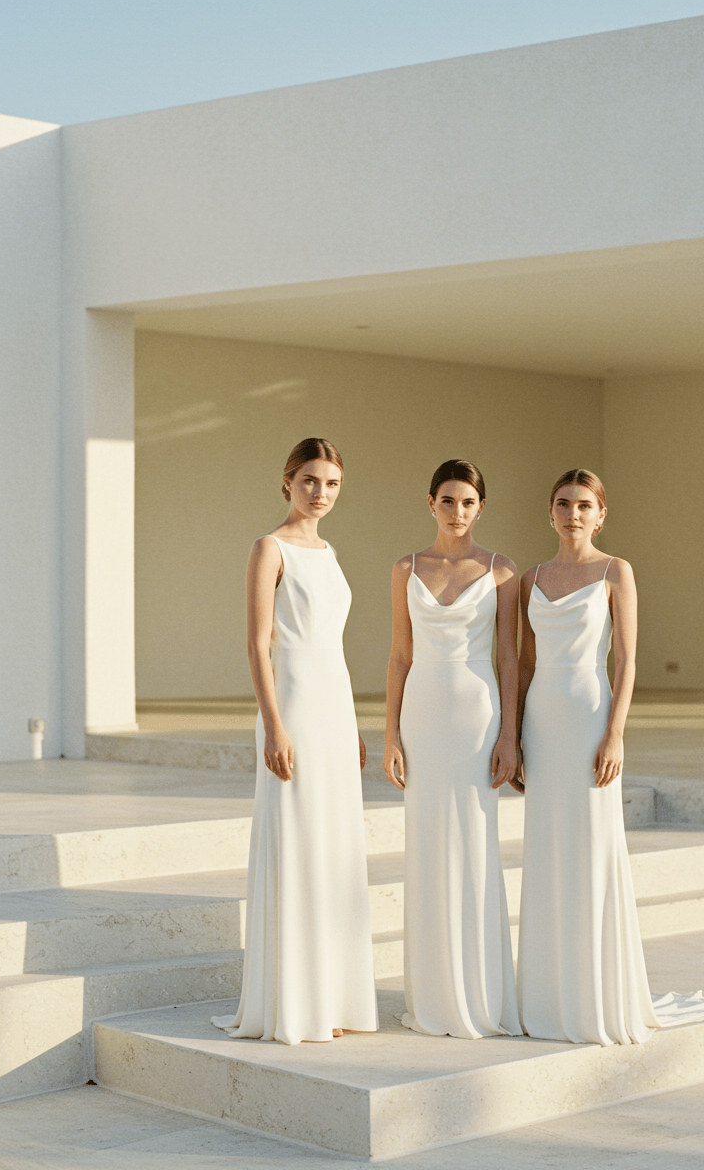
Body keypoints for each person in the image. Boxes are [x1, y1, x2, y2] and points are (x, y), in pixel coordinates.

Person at [515, 468, 704, 1044]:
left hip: (591, 717)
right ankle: (547, 994)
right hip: (542, 722)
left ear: (601, 514)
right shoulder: (531, 578)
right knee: (546, 850)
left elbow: (628, 662)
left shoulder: (616, 571)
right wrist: (512, 735)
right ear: (550, 511)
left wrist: (614, 734)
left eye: (584, 505)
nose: (573, 514)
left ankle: (595, 993)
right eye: (563, 503)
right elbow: (524, 665)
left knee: (591, 848)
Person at [212, 438, 377, 1045]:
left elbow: (336, 646)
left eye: (331, 483)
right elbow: (258, 644)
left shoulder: (329, 551)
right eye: (310, 480)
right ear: (288, 482)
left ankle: (332, 996)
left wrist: (355, 722)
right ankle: (295, 1000)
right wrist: (274, 724)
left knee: (333, 846)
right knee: (297, 838)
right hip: (294, 704)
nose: (321, 493)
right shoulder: (269, 548)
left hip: (333, 706)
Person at [383, 459, 521, 1039]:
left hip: (475, 712)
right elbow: (399, 655)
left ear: (480, 507)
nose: (457, 511)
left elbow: (511, 657)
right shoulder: (405, 568)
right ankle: (433, 995)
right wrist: (389, 733)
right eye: (447, 500)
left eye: (468, 502)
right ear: (431, 503)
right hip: (422, 713)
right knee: (427, 843)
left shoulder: (502, 571)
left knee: (473, 840)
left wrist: (510, 736)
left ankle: (480, 990)